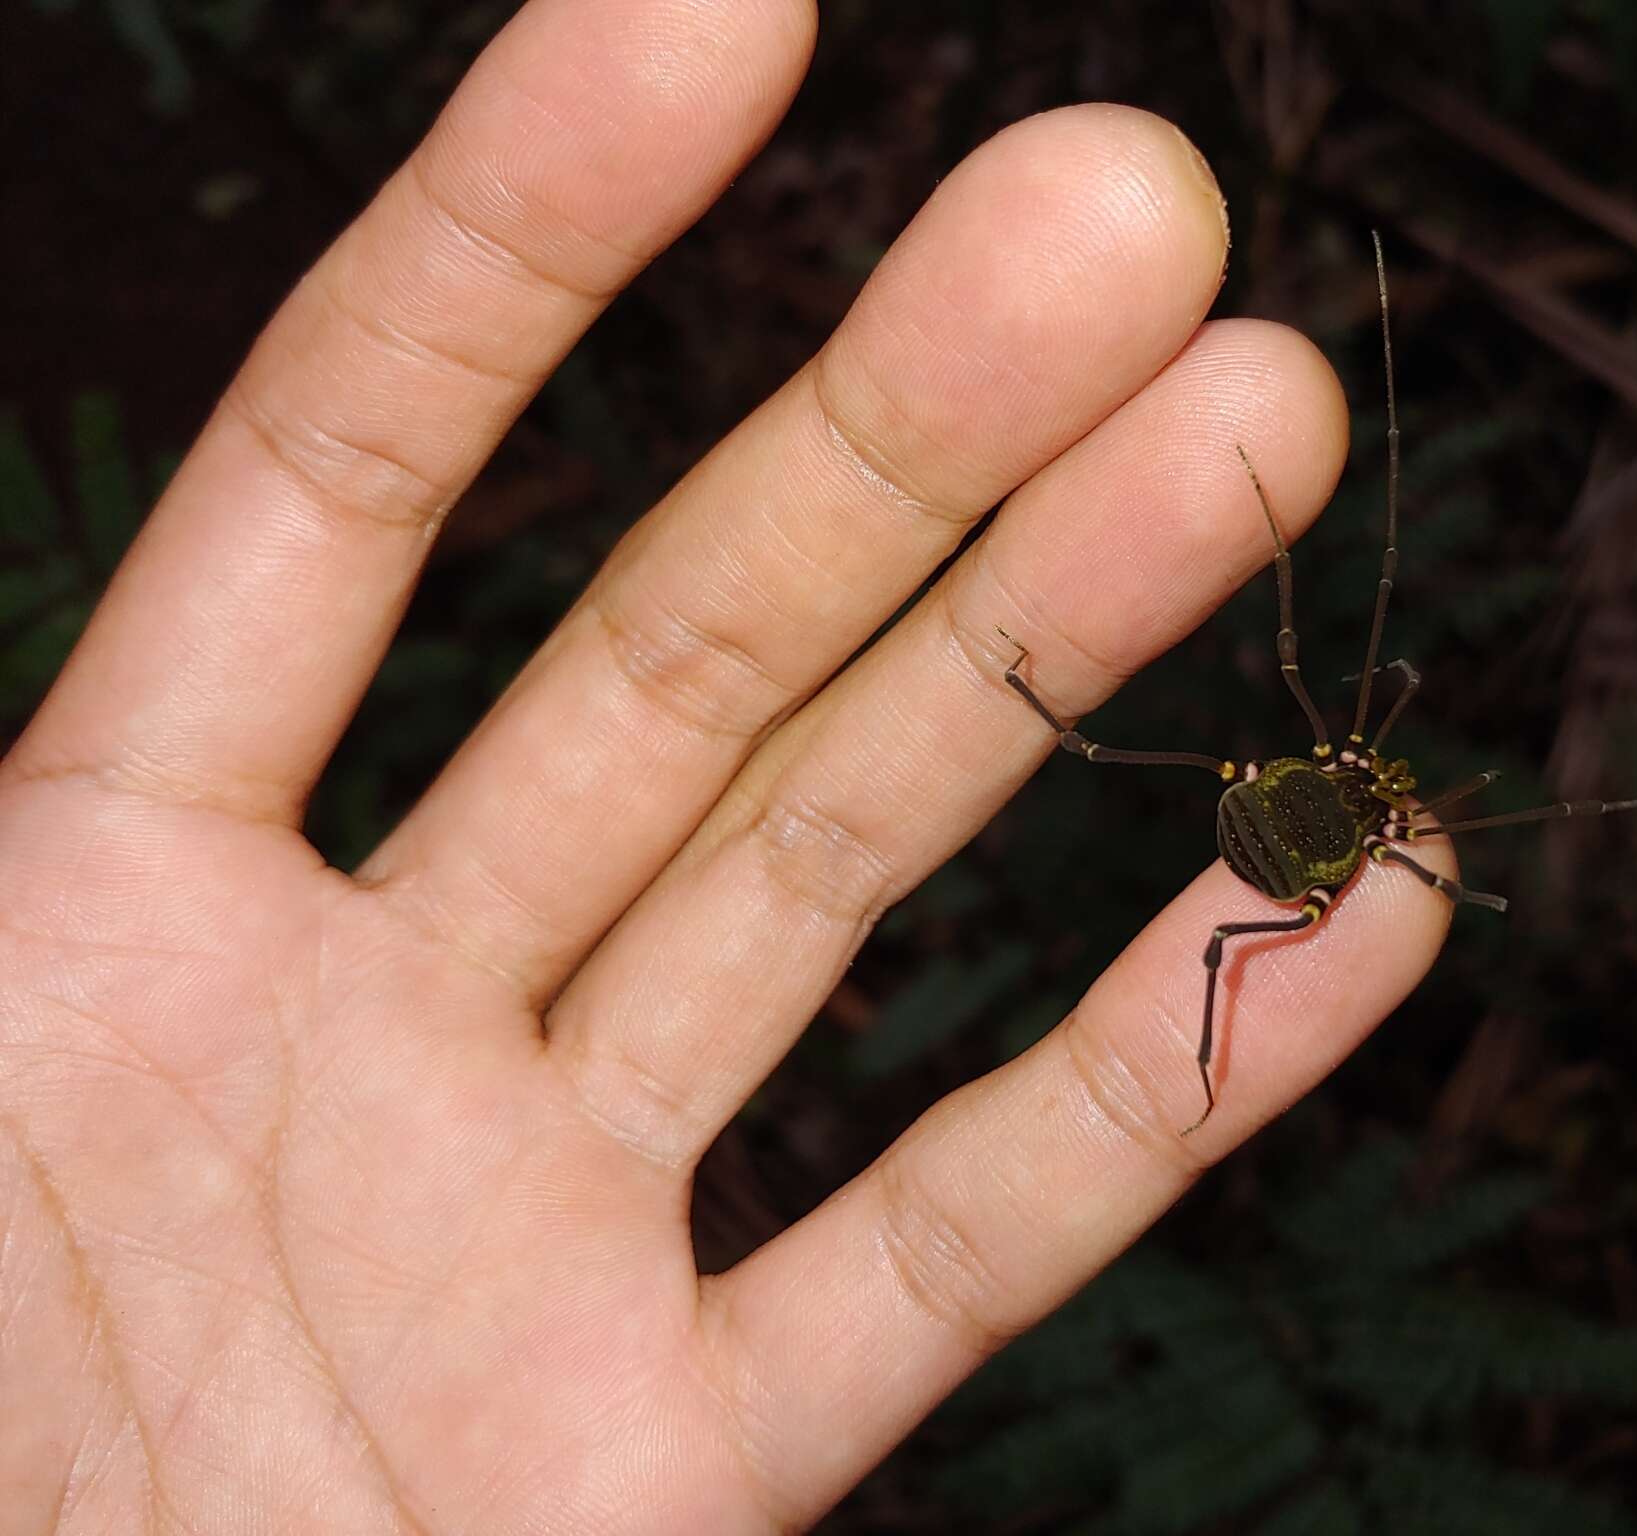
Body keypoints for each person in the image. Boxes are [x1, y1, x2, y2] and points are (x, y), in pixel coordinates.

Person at [0, 1, 1451, 1526]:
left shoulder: (1353, 792)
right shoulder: (1343, 760)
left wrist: (1357, 860)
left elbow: (1304, 801)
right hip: (1281, 829)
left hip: (1285, 844)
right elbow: (1317, 683)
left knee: (1277, 812)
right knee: (1271, 731)